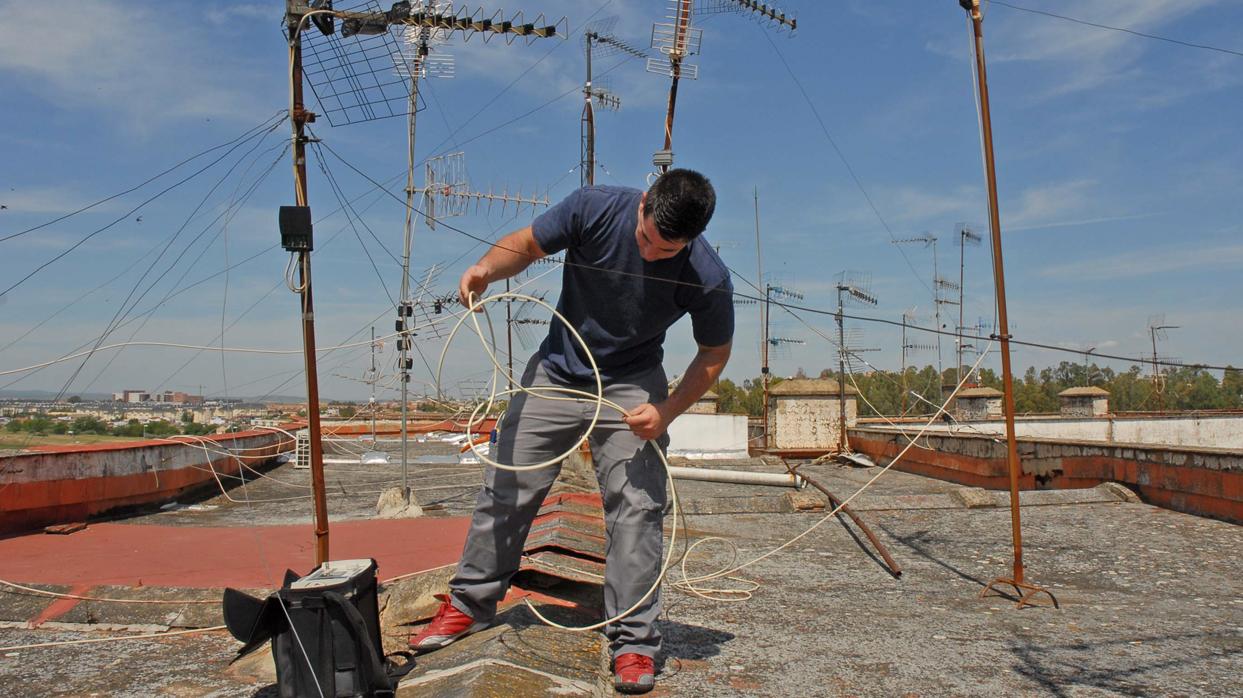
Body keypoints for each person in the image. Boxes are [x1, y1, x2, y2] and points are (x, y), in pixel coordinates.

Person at [409, 169, 733, 695]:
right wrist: (486, 269)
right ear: (644, 203)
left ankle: (632, 643)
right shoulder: (595, 207)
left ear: (691, 240)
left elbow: (715, 354)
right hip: (558, 371)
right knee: (508, 484)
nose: (652, 254)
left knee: (638, 507)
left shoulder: (707, 275)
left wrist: (667, 411)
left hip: (631, 384)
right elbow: (526, 244)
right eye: (647, 238)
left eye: (667, 249)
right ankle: (470, 606)